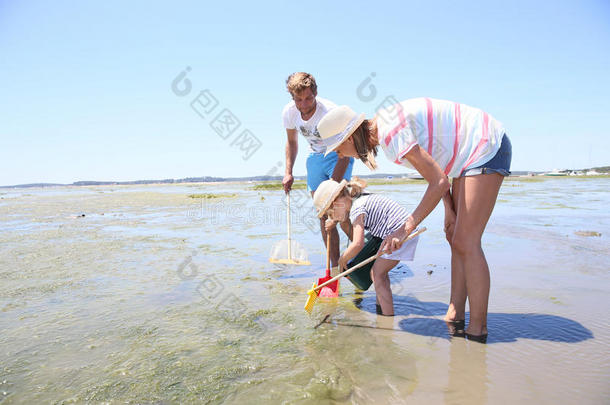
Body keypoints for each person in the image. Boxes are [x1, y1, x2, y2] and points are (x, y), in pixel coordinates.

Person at [317, 98, 512, 342]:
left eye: (337, 149)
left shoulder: (390, 132)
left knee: (466, 241)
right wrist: (449, 209)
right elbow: (437, 171)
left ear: (347, 138)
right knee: (455, 237)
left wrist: (403, 229)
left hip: (483, 144)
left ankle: (477, 329)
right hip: (462, 159)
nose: (340, 155)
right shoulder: (386, 132)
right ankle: (456, 314)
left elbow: (438, 181)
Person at [313, 178, 419, 316]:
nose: (333, 217)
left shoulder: (357, 209)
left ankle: (387, 319)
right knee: (380, 274)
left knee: (376, 274)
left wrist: (342, 259)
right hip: (400, 230)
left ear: (336, 203)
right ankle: (381, 308)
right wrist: (334, 220)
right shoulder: (358, 198)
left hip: (400, 233)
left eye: (331, 213)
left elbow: (358, 243)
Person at [282, 72, 354, 270]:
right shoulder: (289, 112)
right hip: (314, 156)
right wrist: (288, 171)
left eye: (308, 98)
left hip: (338, 154)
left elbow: (345, 152)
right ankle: (336, 267)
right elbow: (291, 142)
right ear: (293, 98)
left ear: (315, 93)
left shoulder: (330, 111)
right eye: (299, 99)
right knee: (323, 214)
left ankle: (361, 252)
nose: (304, 105)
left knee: (339, 211)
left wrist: (332, 188)